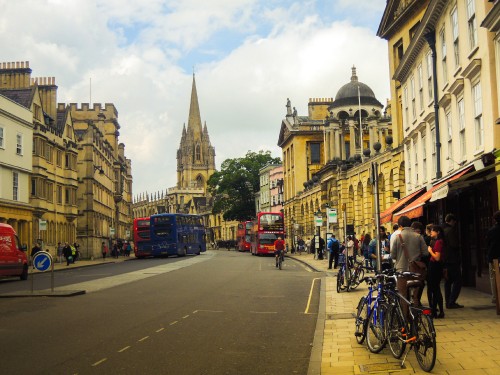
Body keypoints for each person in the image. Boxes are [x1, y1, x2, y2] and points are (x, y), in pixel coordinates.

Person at [390, 216, 428, 312]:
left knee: (403, 296)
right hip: (415, 270)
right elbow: (425, 253)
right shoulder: (418, 236)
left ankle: (405, 320)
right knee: (415, 296)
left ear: (400, 225)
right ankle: (416, 317)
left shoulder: (397, 237)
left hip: (402, 271)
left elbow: (393, 255)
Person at [443, 213, 464, 309]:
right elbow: (454, 245)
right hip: (452, 259)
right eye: (454, 221)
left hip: (445, 260)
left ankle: (448, 302)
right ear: (451, 221)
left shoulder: (442, 230)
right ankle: (451, 301)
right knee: (458, 281)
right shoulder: (450, 230)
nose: (455, 223)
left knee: (448, 282)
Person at [427, 225, 445, 318]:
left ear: (438, 232)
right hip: (434, 266)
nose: (431, 232)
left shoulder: (438, 242)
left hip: (435, 266)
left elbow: (437, 258)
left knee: (436, 289)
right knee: (435, 289)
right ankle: (436, 310)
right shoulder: (435, 241)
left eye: (433, 231)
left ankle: (437, 311)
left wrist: (430, 251)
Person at [486, 210, 500, 304]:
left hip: (493, 256)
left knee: (493, 276)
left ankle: (495, 297)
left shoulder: (491, 230)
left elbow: (487, 243)